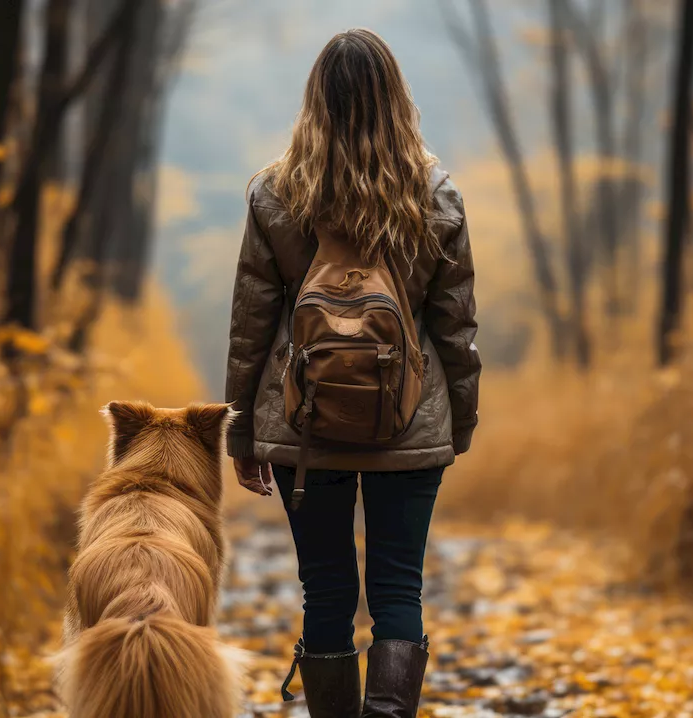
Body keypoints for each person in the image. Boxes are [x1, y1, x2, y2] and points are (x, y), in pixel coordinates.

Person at [224, 28, 481, 718]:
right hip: (410, 419)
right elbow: (456, 326)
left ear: (316, 103)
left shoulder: (276, 194)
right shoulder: (436, 195)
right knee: (399, 587)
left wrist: (243, 430)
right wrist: (459, 419)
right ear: (396, 98)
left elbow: (251, 324)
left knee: (327, 589)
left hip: (305, 429)